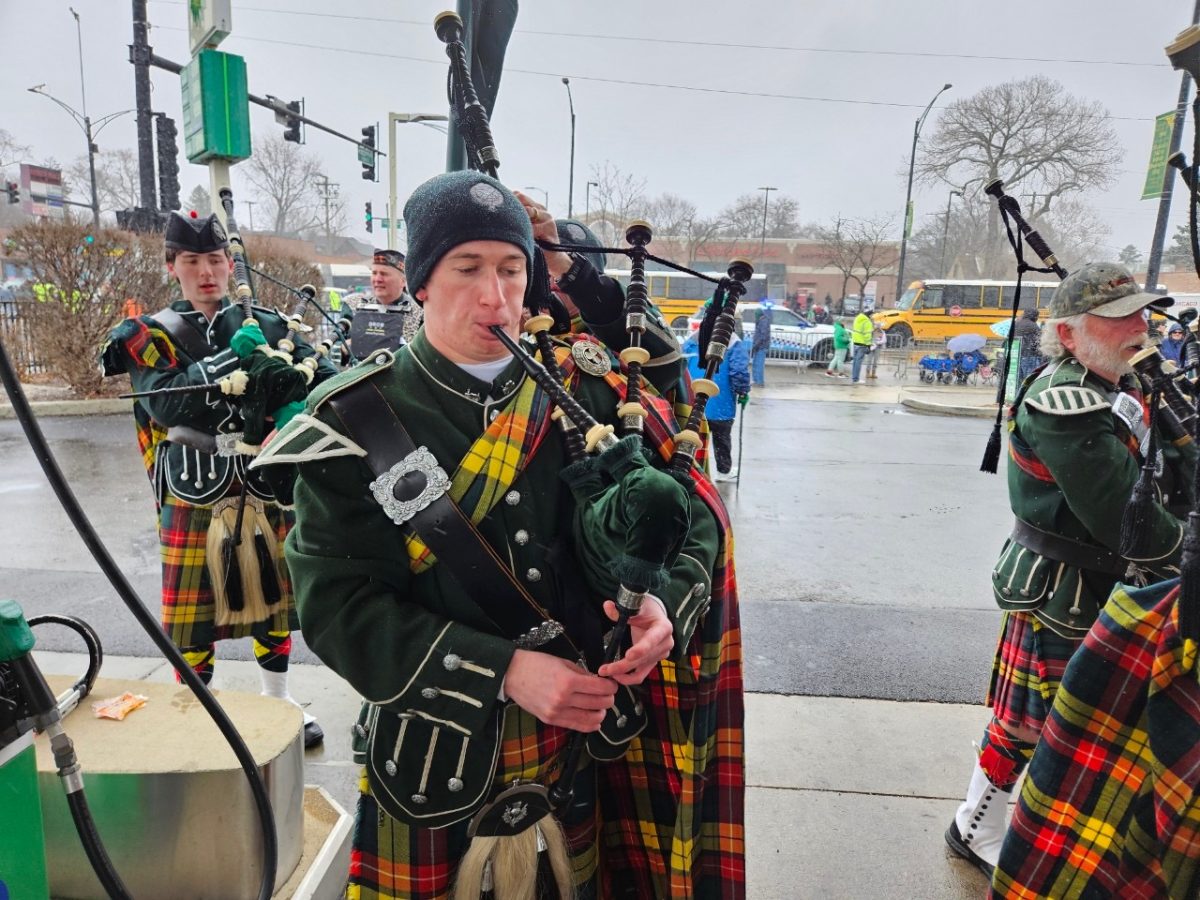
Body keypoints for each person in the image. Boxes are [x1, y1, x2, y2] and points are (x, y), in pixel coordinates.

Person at [266, 171, 745, 899]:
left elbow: (692, 516)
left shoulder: (593, 390)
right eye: (467, 270)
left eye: (511, 269)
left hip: (585, 751)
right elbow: (338, 608)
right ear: (421, 282)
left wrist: (663, 608)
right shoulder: (357, 420)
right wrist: (506, 671)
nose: (496, 296)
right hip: (435, 759)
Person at [944, 262, 1195, 879]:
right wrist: (1186, 550)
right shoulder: (1065, 401)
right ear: (1068, 335)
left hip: (1111, 583)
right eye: (1120, 319)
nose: (1140, 327)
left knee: (1081, 728)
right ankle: (978, 828)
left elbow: (1169, 481)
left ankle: (1038, 833)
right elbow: (1123, 517)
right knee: (1033, 726)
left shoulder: (1121, 385)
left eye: (1141, 314)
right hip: (1066, 591)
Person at [99, 211, 339, 748]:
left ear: (230, 265)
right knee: (191, 622)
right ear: (172, 267)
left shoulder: (274, 323)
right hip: (193, 486)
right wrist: (241, 355)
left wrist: (290, 376)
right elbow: (168, 404)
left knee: (273, 606)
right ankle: (196, 714)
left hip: (264, 481)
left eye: (214, 260)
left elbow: (316, 382)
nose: (206, 271)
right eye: (192, 261)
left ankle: (279, 707)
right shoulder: (150, 333)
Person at [681, 312, 750, 482]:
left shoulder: (694, 339)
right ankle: (723, 471)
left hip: (694, 401)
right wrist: (742, 391)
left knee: (693, 437)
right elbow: (739, 371)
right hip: (721, 401)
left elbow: (682, 366)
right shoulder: (733, 342)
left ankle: (690, 469)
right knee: (722, 440)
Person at [344, 248, 424, 358]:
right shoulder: (353, 306)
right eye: (374, 273)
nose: (377, 279)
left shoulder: (419, 313)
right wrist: (344, 346)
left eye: (384, 274)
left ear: (403, 281)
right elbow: (336, 348)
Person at [1012, 307, 1043, 382]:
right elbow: (1039, 341)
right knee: (1030, 379)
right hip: (1030, 356)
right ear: (1034, 315)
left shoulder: (1016, 324)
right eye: (1037, 316)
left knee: (1018, 380)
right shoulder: (1033, 326)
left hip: (1016, 356)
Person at [850, 306, 874, 383]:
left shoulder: (857, 318)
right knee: (858, 362)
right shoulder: (867, 322)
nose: (872, 316)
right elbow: (867, 335)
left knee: (855, 361)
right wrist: (869, 345)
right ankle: (856, 379)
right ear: (869, 314)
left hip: (855, 342)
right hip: (862, 343)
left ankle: (854, 377)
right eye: (871, 315)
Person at [751, 304, 771, 386]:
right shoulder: (761, 320)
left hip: (761, 346)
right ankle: (756, 380)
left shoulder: (763, 322)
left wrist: (756, 345)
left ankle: (759, 382)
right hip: (759, 346)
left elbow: (763, 335)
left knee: (759, 364)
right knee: (756, 364)